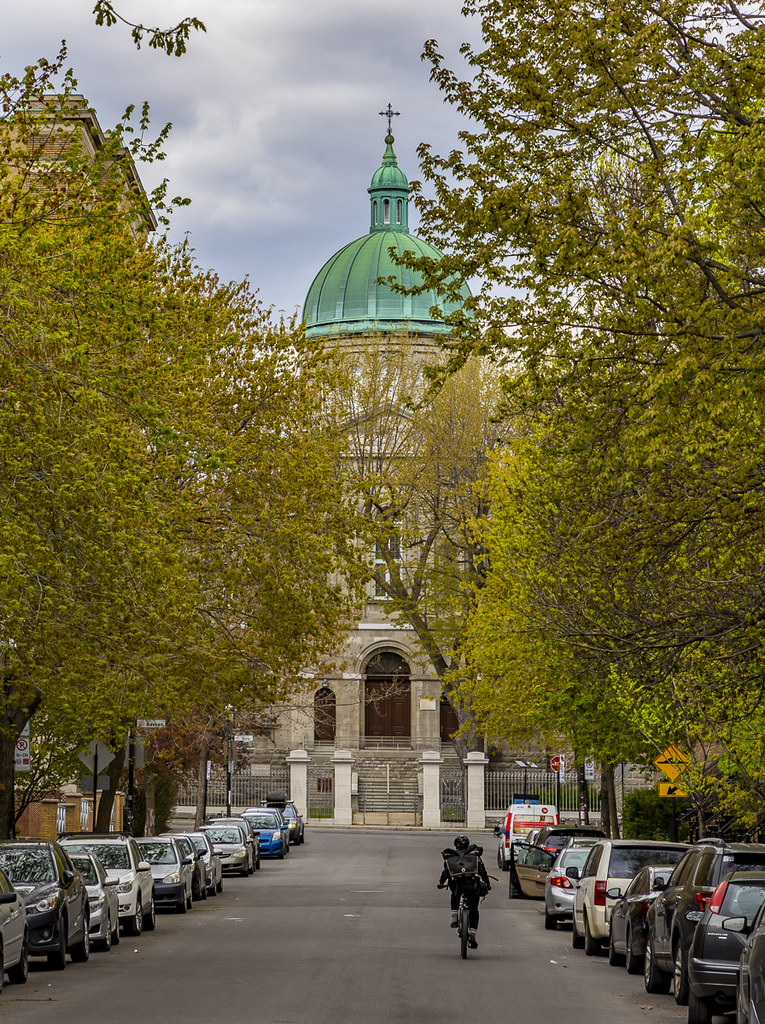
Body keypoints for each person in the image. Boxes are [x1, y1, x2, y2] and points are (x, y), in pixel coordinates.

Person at [437, 835, 491, 948]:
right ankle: (473, 934)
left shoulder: (451, 857)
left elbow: (446, 873)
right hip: (472, 885)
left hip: (457, 886)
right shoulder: (475, 856)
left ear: (455, 846)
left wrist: (441, 883)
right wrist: (488, 884)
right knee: (473, 909)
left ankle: (454, 918)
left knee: (455, 896)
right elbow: (482, 871)